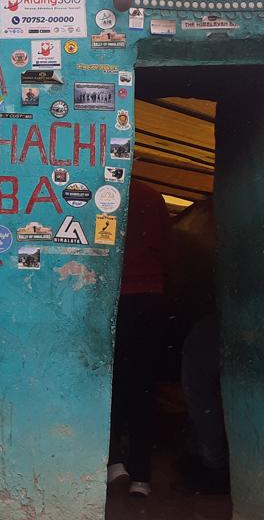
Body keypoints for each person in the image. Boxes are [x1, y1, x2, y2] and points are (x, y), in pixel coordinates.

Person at [108, 181, 173, 497]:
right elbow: (169, 252)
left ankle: (113, 463)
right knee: (143, 389)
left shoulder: (99, 192)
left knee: (111, 385)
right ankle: (141, 479)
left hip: (113, 298)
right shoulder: (152, 196)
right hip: (149, 300)